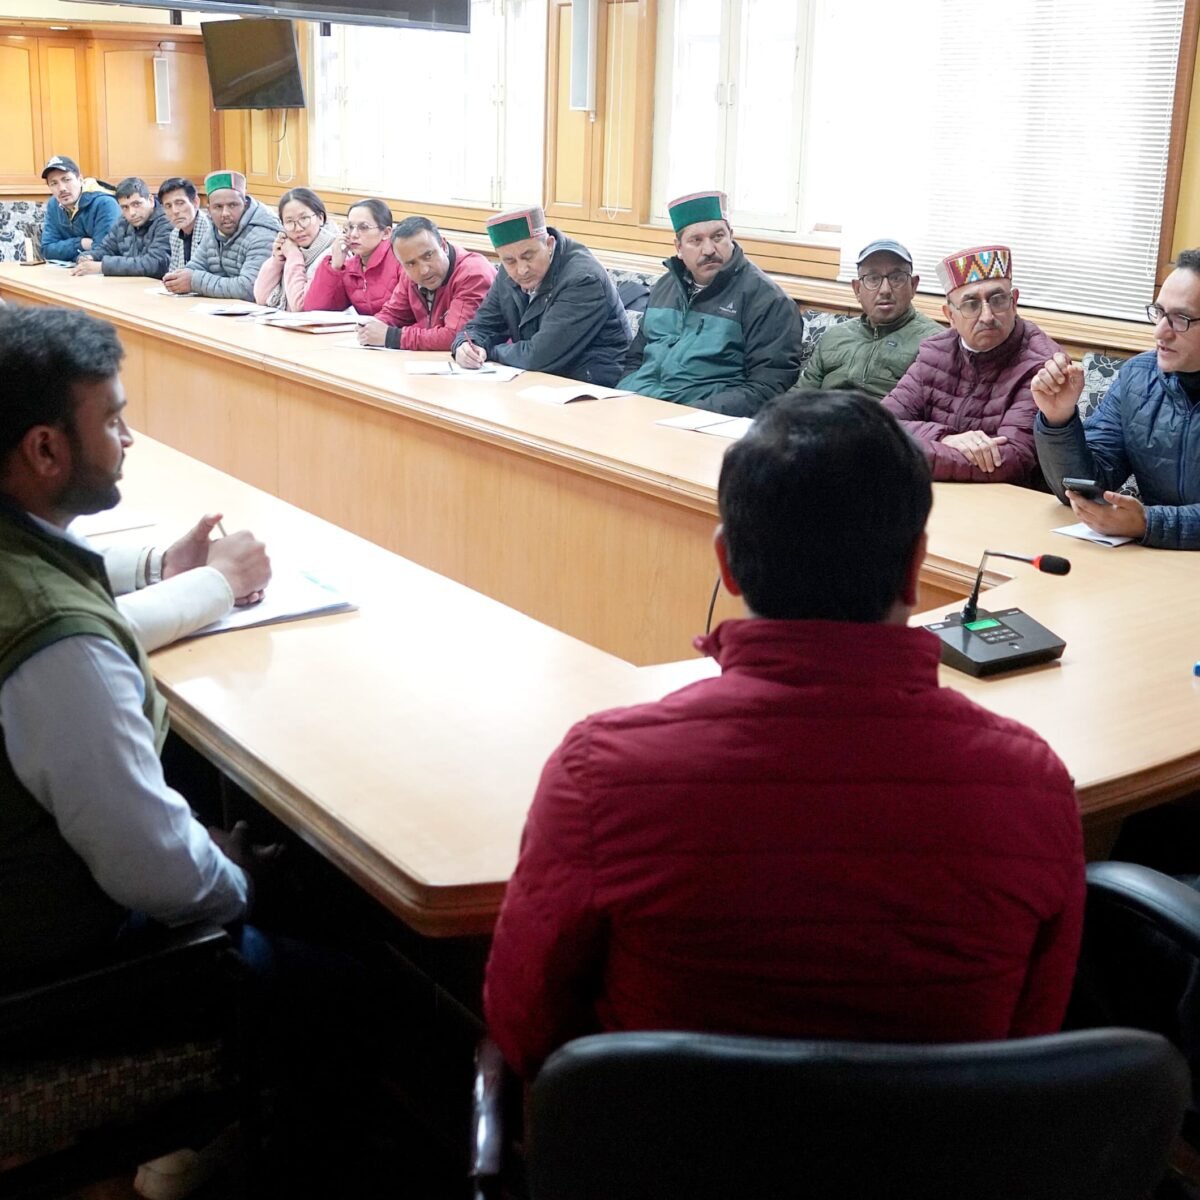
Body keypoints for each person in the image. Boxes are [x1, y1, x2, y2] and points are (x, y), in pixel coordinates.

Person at [484, 391, 1084, 1079]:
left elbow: (523, 1030)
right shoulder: (1033, 783)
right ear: (916, 567)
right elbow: (1032, 1040)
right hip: (941, 1144)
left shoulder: (602, 772)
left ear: (727, 565)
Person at [0, 305, 275, 979]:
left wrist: (162, 566)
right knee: (353, 988)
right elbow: (160, 876)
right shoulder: (64, 650)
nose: (129, 439)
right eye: (113, 421)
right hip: (60, 969)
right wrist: (241, 879)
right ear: (45, 449)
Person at [1032, 250, 1200, 549]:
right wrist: (1059, 420)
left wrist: (1148, 523)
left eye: (1181, 319)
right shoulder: (1137, 377)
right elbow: (1088, 484)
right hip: (1154, 558)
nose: (1160, 332)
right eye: (1159, 313)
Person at [882, 245, 1061, 484]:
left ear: (1014, 302)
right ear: (950, 316)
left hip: (1005, 498)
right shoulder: (934, 352)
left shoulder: (1042, 363)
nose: (987, 316)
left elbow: (1012, 460)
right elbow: (881, 423)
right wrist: (943, 438)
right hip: (935, 488)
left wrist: (904, 451)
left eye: (998, 300)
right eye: (971, 304)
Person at [620, 190, 803, 416]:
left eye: (718, 237)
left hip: (700, 419)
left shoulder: (767, 301)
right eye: (696, 240)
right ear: (679, 248)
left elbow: (767, 388)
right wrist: (625, 394)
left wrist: (690, 414)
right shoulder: (665, 286)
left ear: (731, 236)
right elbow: (635, 358)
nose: (709, 250)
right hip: (637, 407)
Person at [451, 206, 630, 384]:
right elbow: (482, 326)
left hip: (592, 383)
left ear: (549, 245)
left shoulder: (583, 279)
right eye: (510, 261)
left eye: (528, 256)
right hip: (539, 379)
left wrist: (489, 351)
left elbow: (539, 355)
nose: (522, 269)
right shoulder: (508, 273)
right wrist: (467, 346)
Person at [792, 239, 941, 399]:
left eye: (896, 278)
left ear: (913, 286)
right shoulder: (833, 336)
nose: (885, 290)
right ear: (857, 289)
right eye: (873, 278)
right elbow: (798, 397)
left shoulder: (936, 344)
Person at [357, 216, 495, 350]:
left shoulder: (473, 273)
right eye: (411, 263)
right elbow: (394, 314)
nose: (423, 270)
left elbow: (457, 336)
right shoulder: (409, 275)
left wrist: (392, 336)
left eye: (428, 256)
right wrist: (371, 327)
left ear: (443, 245)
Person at [163, 170, 280, 300]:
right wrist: (177, 279)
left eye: (232, 205)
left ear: (245, 204)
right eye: (218, 207)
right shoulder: (213, 230)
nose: (225, 213)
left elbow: (250, 288)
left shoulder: (262, 234)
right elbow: (195, 267)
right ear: (209, 209)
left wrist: (194, 281)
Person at [303, 198, 400, 316]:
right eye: (350, 227)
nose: (353, 234)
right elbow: (314, 310)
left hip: (395, 327)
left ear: (386, 233)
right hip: (367, 327)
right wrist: (334, 266)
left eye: (363, 227)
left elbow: (404, 314)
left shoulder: (401, 261)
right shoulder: (351, 268)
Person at [68, 177, 171, 280]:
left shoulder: (167, 221)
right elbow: (106, 249)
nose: (132, 213)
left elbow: (155, 263)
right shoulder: (123, 221)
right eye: (125, 207)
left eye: (136, 204)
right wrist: (89, 257)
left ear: (151, 200)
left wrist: (102, 267)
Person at [253, 187, 337, 311]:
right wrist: (277, 260)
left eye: (304, 219)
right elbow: (261, 298)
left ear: (320, 218)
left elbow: (300, 306)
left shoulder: (334, 254)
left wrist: (293, 256)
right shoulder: (289, 247)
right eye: (289, 222)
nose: (298, 228)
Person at [39, 155, 120, 264]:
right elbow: (47, 250)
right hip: (73, 270)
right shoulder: (53, 204)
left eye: (66, 180)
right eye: (54, 183)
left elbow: (105, 252)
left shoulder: (105, 203)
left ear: (80, 180)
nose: (62, 188)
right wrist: (81, 243)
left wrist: (72, 254)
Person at [158, 177, 211, 277]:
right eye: (168, 206)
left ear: (195, 202)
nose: (175, 211)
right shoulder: (174, 234)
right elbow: (173, 272)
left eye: (180, 203)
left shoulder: (210, 231)